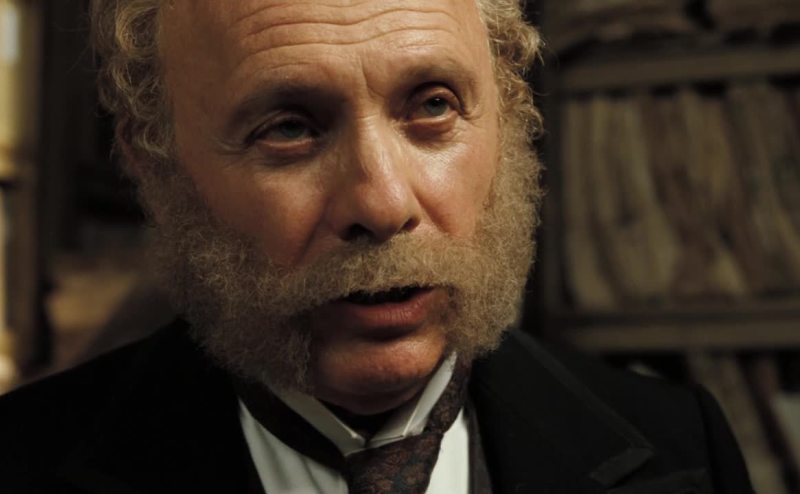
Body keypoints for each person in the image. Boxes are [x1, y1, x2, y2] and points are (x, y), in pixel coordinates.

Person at [0, 0, 753, 493]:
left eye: (433, 106)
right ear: (154, 162)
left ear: (509, 111)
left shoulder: (682, 447)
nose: (385, 205)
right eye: (289, 127)